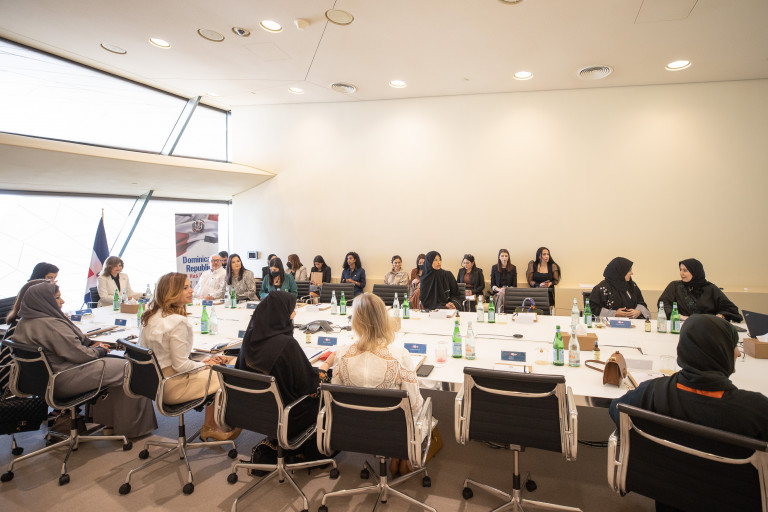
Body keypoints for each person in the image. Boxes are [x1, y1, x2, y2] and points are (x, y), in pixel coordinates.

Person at [609, 315, 768, 511]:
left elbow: (617, 410)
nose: (738, 352)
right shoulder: (756, 411)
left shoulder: (652, 392)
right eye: (733, 346)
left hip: (667, 494)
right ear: (720, 352)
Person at [11, 281, 156, 438]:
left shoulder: (24, 323)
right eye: (57, 298)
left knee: (117, 366)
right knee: (131, 367)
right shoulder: (50, 324)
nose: (62, 301)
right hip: (63, 379)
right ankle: (131, 429)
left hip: (44, 381)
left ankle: (109, 423)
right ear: (44, 301)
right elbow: (81, 355)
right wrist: (100, 350)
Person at [332, 293, 431, 476]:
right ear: (384, 320)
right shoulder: (399, 354)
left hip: (354, 428)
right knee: (421, 408)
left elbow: (336, 396)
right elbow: (414, 404)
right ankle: (401, 454)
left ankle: (397, 454)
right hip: (392, 429)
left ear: (355, 321)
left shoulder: (342, 354)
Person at [237, 291, 333, 467]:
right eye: (291, 310)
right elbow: (310, 386)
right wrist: (327, 365)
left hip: (255, 412)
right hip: (290, 414)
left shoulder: (250, 337)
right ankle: (313, 449)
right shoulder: (286, 345)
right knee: (330, 389)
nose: (294, 314)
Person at [140, 273, 238, 441]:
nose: (192, 290)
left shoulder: (150, 317)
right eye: (185, 288)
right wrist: (205, 365)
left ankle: (210, 425)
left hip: (154, 384)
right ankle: (216, 427)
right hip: (173, 385)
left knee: (212, 366)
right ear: (171, 292)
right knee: (225, 373)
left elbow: (167, 358)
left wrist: (201, 363)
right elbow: (180, 366)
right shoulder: (177, 322)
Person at [658, 259, 742, 322]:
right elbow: (663, 303)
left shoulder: (710, 288)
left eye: (685, 270)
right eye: (680, 270)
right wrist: (678, 316)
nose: (681, 273)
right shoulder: (675, 286)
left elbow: (730, 308)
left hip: (707, 328)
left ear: (695, 272)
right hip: (681, 326)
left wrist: (720, 316)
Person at [1, 279, 46, 396]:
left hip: (11, 377)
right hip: (17, 380)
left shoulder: (21, 321)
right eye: (55, 297)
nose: (62, 301)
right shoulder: (30, 326)